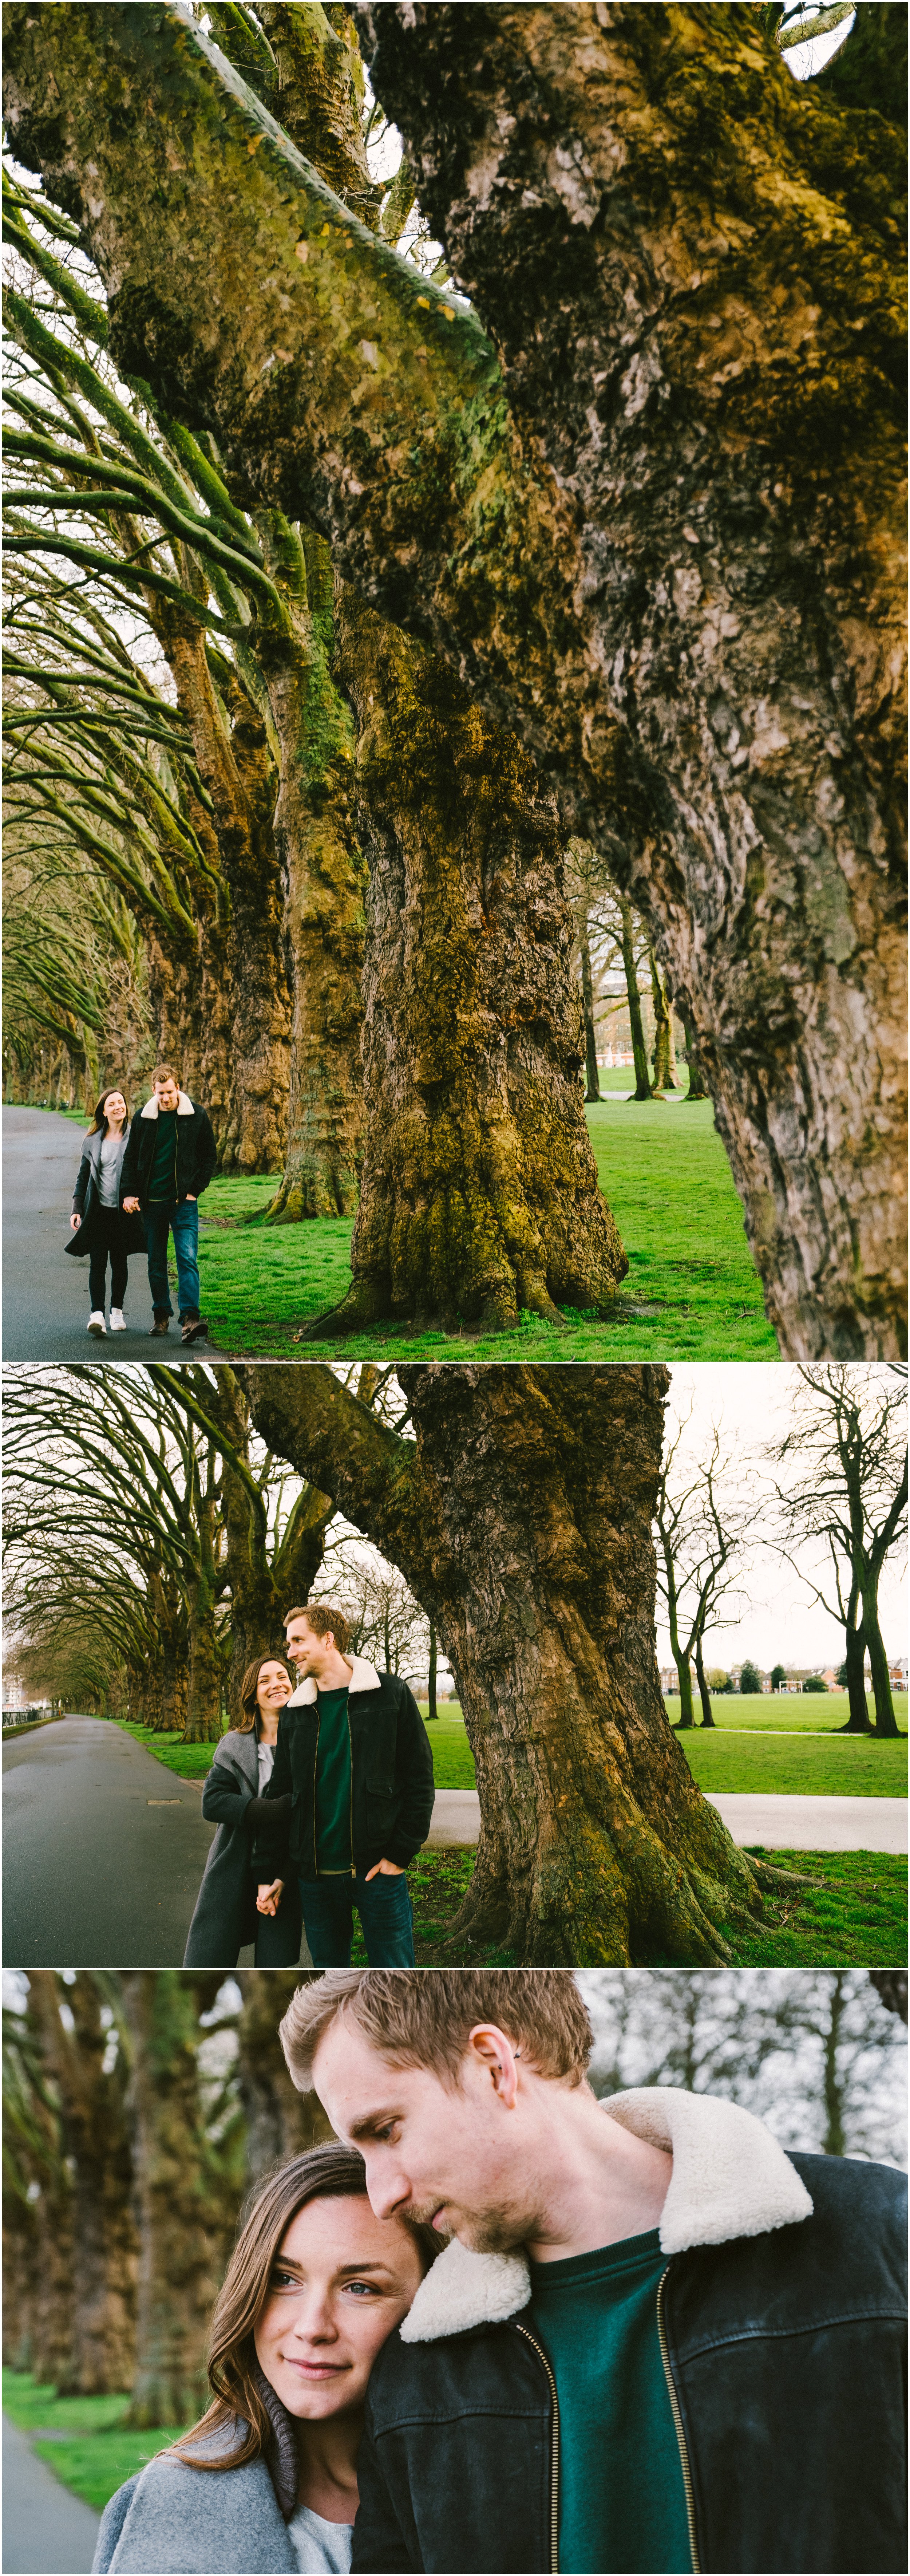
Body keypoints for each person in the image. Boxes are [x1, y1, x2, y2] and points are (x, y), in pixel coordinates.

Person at [280, 1969, 908, 2576]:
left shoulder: (882, 2242)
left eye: (386, 2131)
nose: (382, 2195)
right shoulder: (417, 2374)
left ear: (494, 2066)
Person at [92, 2141, 434, 2575]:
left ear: (432, 2303)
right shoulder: (165, 2507)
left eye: (359, 2288)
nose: (312, 2327)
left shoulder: (490, 2486)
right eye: (284, 2279)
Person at [250, 1605, 434, 1971]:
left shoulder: (390, 1693)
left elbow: (419, 1780)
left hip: (378, 1874)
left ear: (328, 1640)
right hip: (316, 1881)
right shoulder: (295, 1712)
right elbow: (279, 1795)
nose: (290, 1653)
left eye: (298, 1640)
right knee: (330, 1980)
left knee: (397, 1976)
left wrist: (400, 1853)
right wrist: (268, 1874)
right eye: (289, 1644)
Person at [183, 1657, 305, 1968]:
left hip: (284, 1863)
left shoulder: (308, 1739)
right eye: (265, 1680)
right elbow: (212, 1802)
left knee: (274, 1965)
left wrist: (283, 1876)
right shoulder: (234, 1743)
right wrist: (272, 1809)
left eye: (282, 1676)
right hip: (234, 1861)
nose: (277, 1684)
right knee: (210, 1956)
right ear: (253, 1694)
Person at [119, 1061, 217, 1343]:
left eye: (170, 1092)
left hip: (183, 1203)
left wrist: (194, 1191)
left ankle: (190, 1319)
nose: (166, 1098)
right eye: (161, 1093)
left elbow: (209, 1156)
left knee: (187, 1259)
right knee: (156, 1262)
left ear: (179, 1087)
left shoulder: (196, 1115)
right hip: (151, 1204)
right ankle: (161, 1316)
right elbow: (131, 1159)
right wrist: (129, 1193)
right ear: (154, 1091)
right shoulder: (142, 1118)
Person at [66, 1088, 146, 1336]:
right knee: (98, 1264)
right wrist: (77, 1208)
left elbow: (143, 1174)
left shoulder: (136, 1137)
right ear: (104, 1110)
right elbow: (82, 1176)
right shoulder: (92, 1140)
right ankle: (97, 1315)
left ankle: (117, 1311)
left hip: (123, 1214)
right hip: (98, 1212)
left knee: (120, 1264)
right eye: (112, 1104)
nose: (118, 1106)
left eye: (121, 1102)